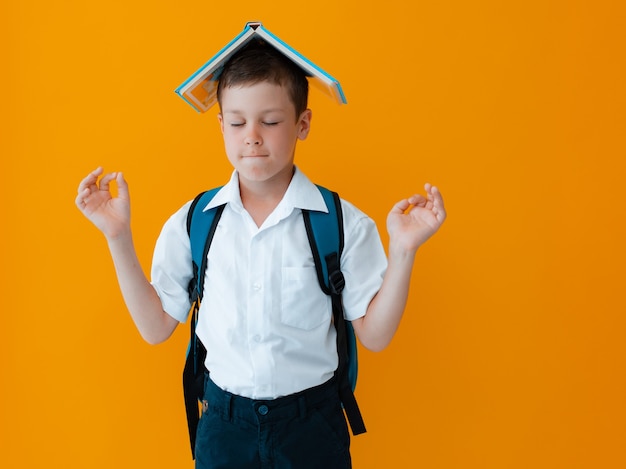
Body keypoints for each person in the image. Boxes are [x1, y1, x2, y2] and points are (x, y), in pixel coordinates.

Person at [75, 41, 446, 469]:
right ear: (220, 125)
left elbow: (375, 336)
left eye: (270, 121)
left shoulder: (342, 222)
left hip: (312, 428)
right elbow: (156, 328)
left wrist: (402, 251)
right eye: (236, 122)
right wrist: (118, 237)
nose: (252, 135)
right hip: (223, 428)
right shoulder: (195, 221)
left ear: (302, 123)